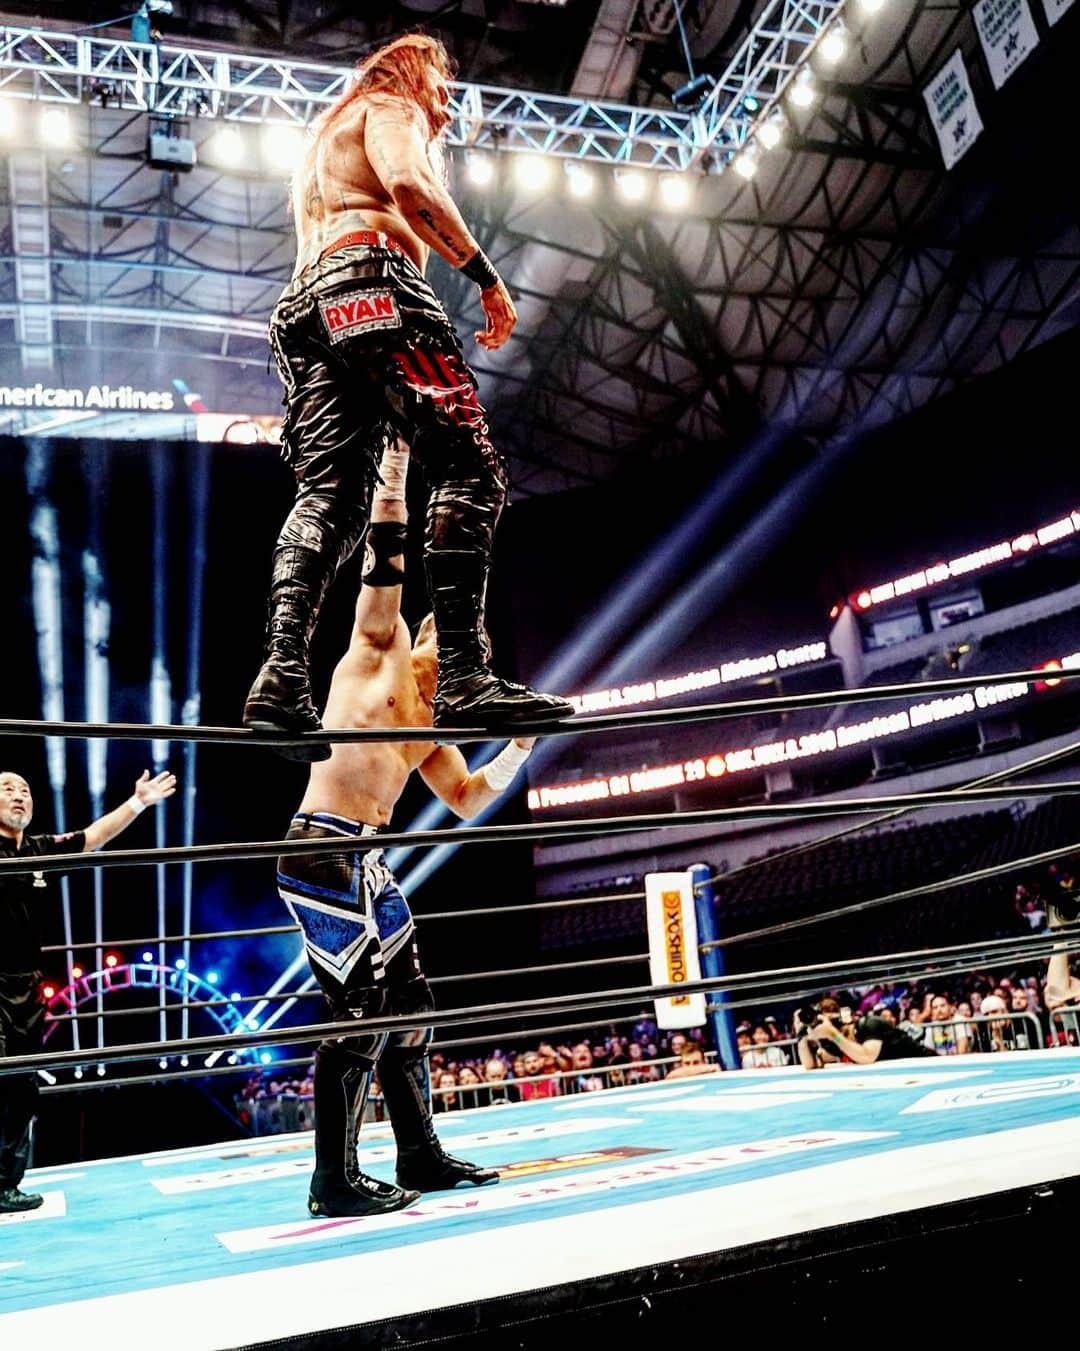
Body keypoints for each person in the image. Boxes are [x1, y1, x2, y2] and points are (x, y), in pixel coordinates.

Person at [244, 32, 572, 757]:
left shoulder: (321, 143)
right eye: (443, 84)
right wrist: (485, 277)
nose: (447, 105)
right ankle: (462, 675)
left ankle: (281, 675)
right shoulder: (390, 102)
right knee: (469, 465)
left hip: (305, 308)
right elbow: (411, 187)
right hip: (374, 281)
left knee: (330, 497)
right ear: (411, 71)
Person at [275, 438, 537, 1218]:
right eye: (455, 637)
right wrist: (391, 476)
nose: (466, 648)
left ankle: (418, 1151)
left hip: (370, 862)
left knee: (413, 1004)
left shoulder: (431, 727)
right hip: (322, 847)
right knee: (359, 1013)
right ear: (426, 632)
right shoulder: (377, 651)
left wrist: (518, 747)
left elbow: (462, 797)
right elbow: (380, 567)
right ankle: (333, 1177)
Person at [0, 767, 175, 1213]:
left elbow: (92, 837)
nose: (19, 795)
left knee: (21, 1088)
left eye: (25, 789)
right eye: (6, 789)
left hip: (26, 988)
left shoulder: (38, 851)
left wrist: (138, 802)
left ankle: (5, 1184)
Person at [798, 997, 939, 1069]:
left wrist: (834, 1035)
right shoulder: (836, 1044)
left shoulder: (869, 1024)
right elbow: (811, 1065)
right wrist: (802, 1036)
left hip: (926, 1063)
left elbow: (866, 1057)